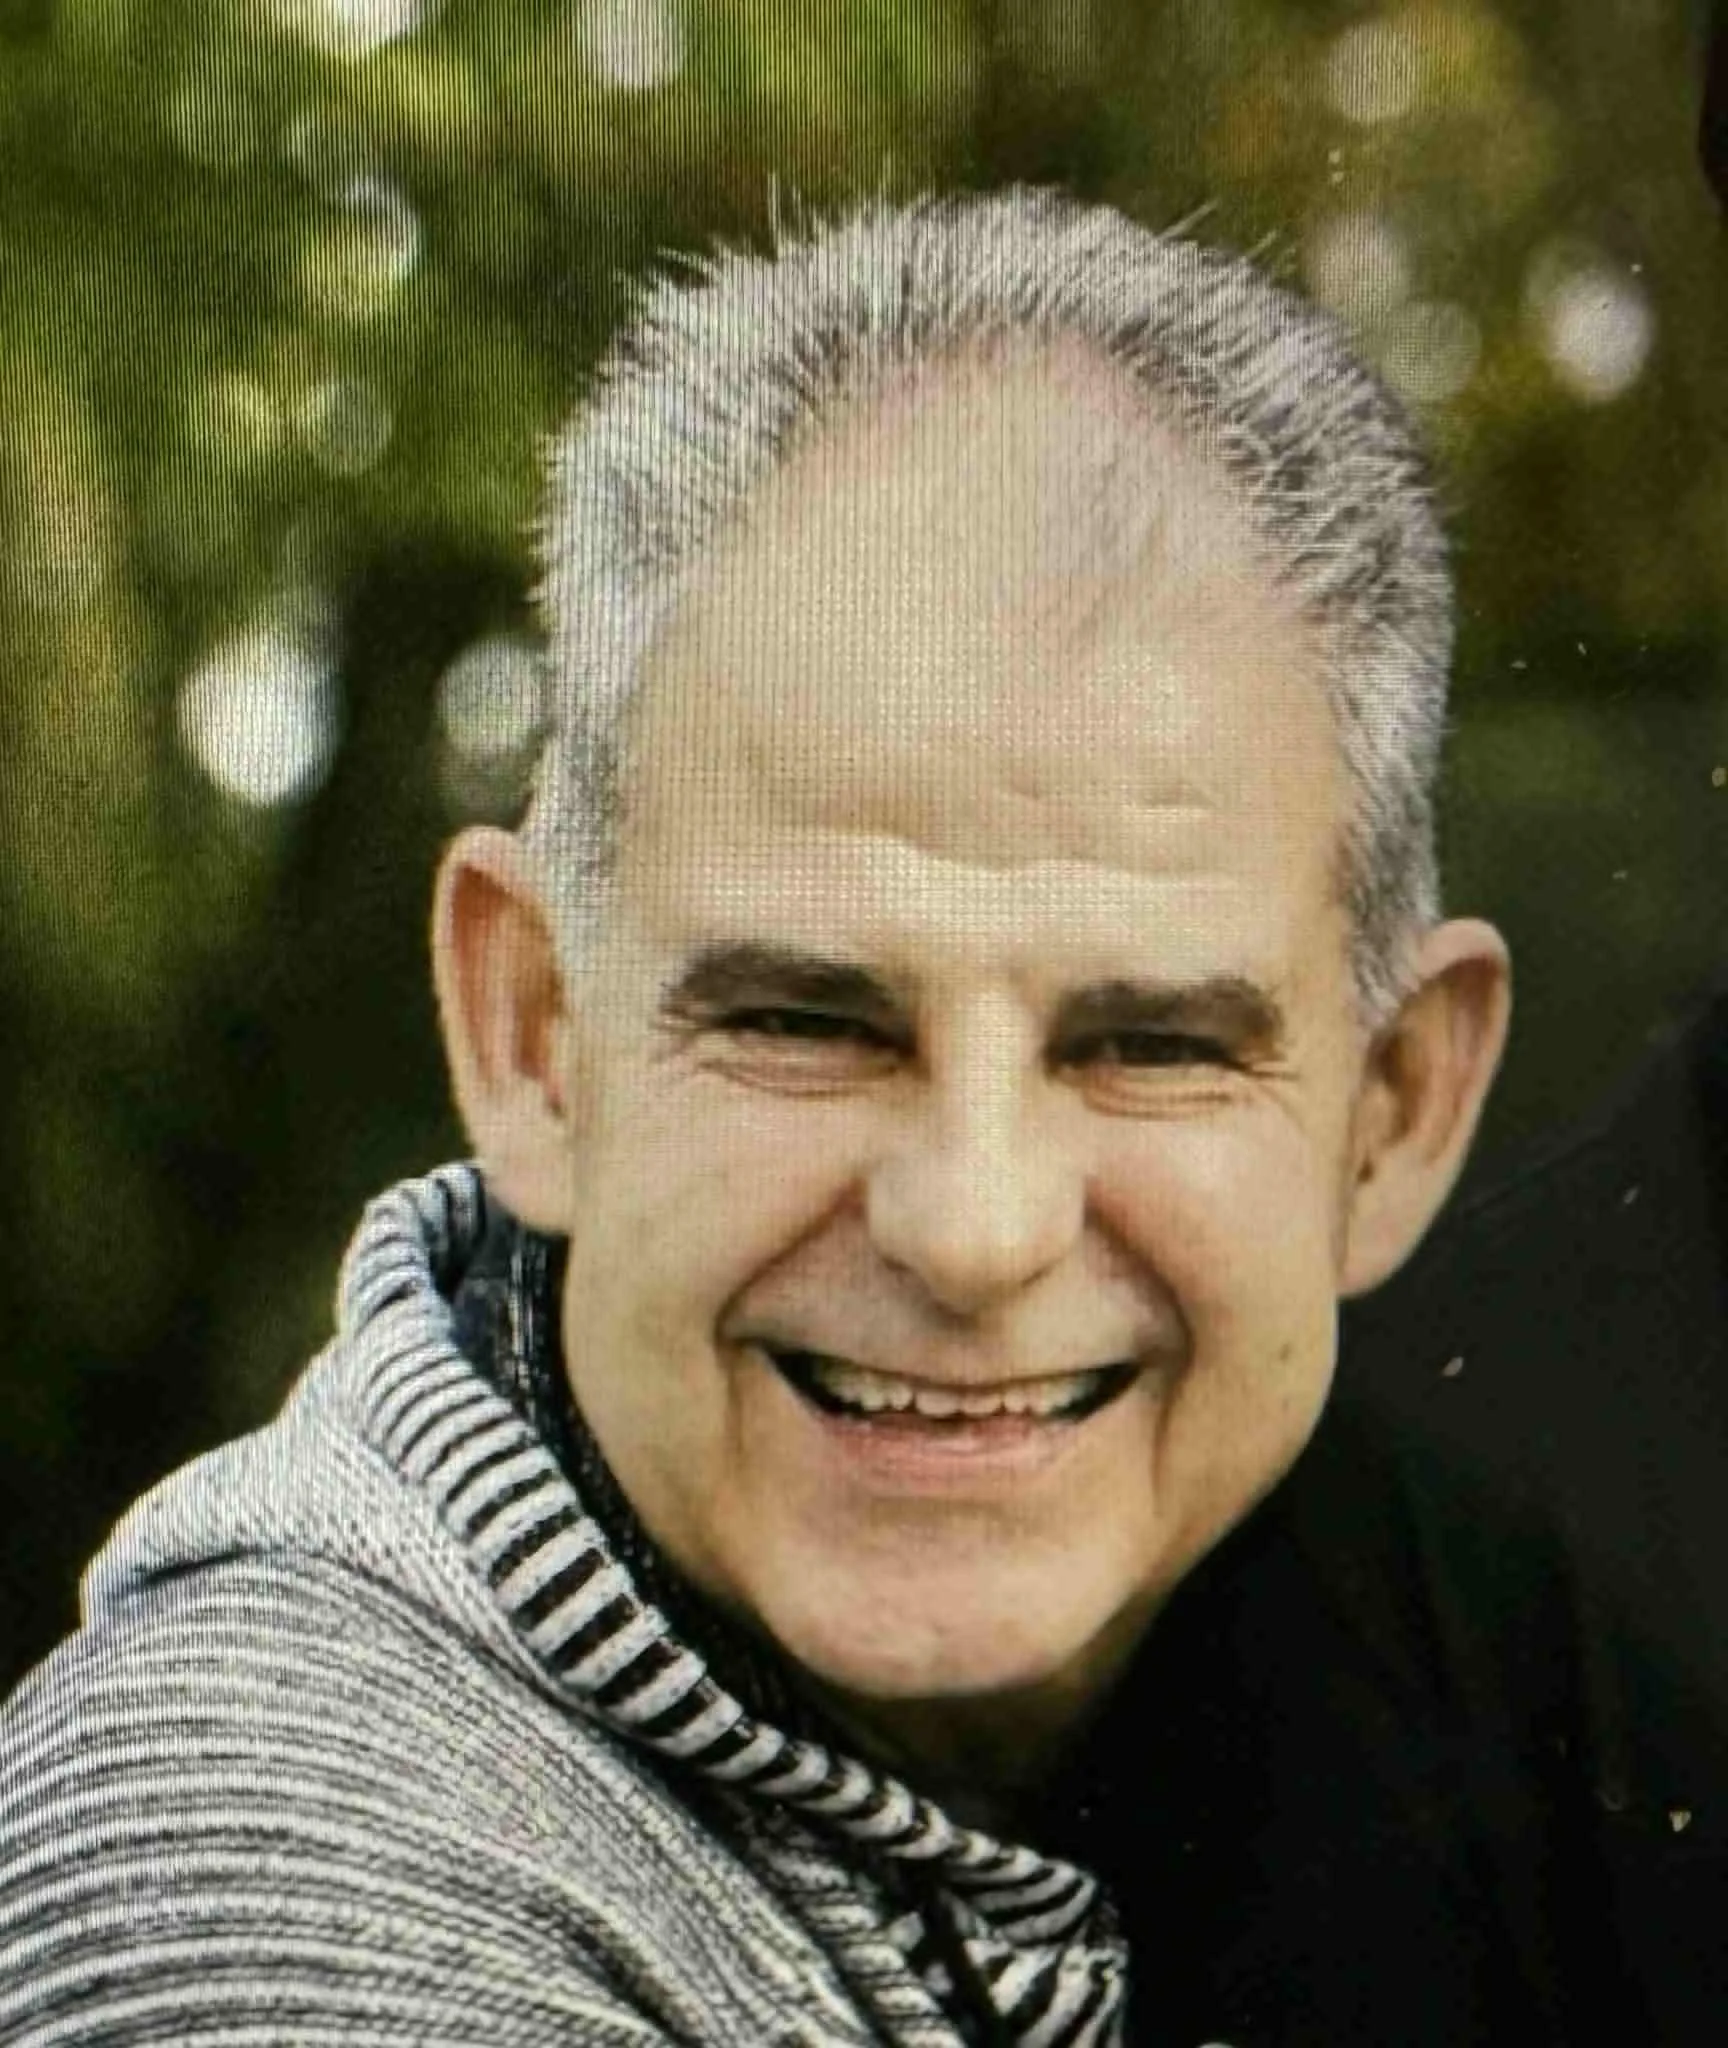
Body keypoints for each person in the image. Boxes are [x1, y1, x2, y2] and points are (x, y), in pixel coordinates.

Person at [0, 190, 1513, 2047]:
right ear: (536, 1037)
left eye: (1149, 1048)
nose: (975, 1228)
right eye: (808, 1022)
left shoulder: (1463, 1715)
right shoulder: (275, 1872)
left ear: (1395, 1114)